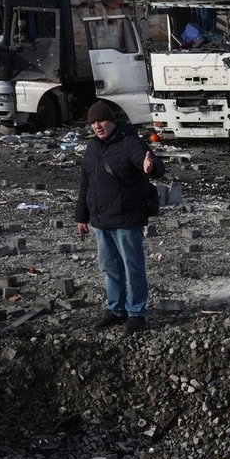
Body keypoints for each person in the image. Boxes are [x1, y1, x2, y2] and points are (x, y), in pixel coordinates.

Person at [76, 101, 166, 333]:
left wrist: (150, 166)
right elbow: (86, 182)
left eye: (101, 121)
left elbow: (150, 161)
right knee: (109, 267)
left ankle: (136, 313)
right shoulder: (92, 148)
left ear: (112, 121)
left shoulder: (130, 142)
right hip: (100, 220)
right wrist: (81, 216)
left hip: (126, 218)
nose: (97, 126)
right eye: (93, 122)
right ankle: (116, 309)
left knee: (132, 267)